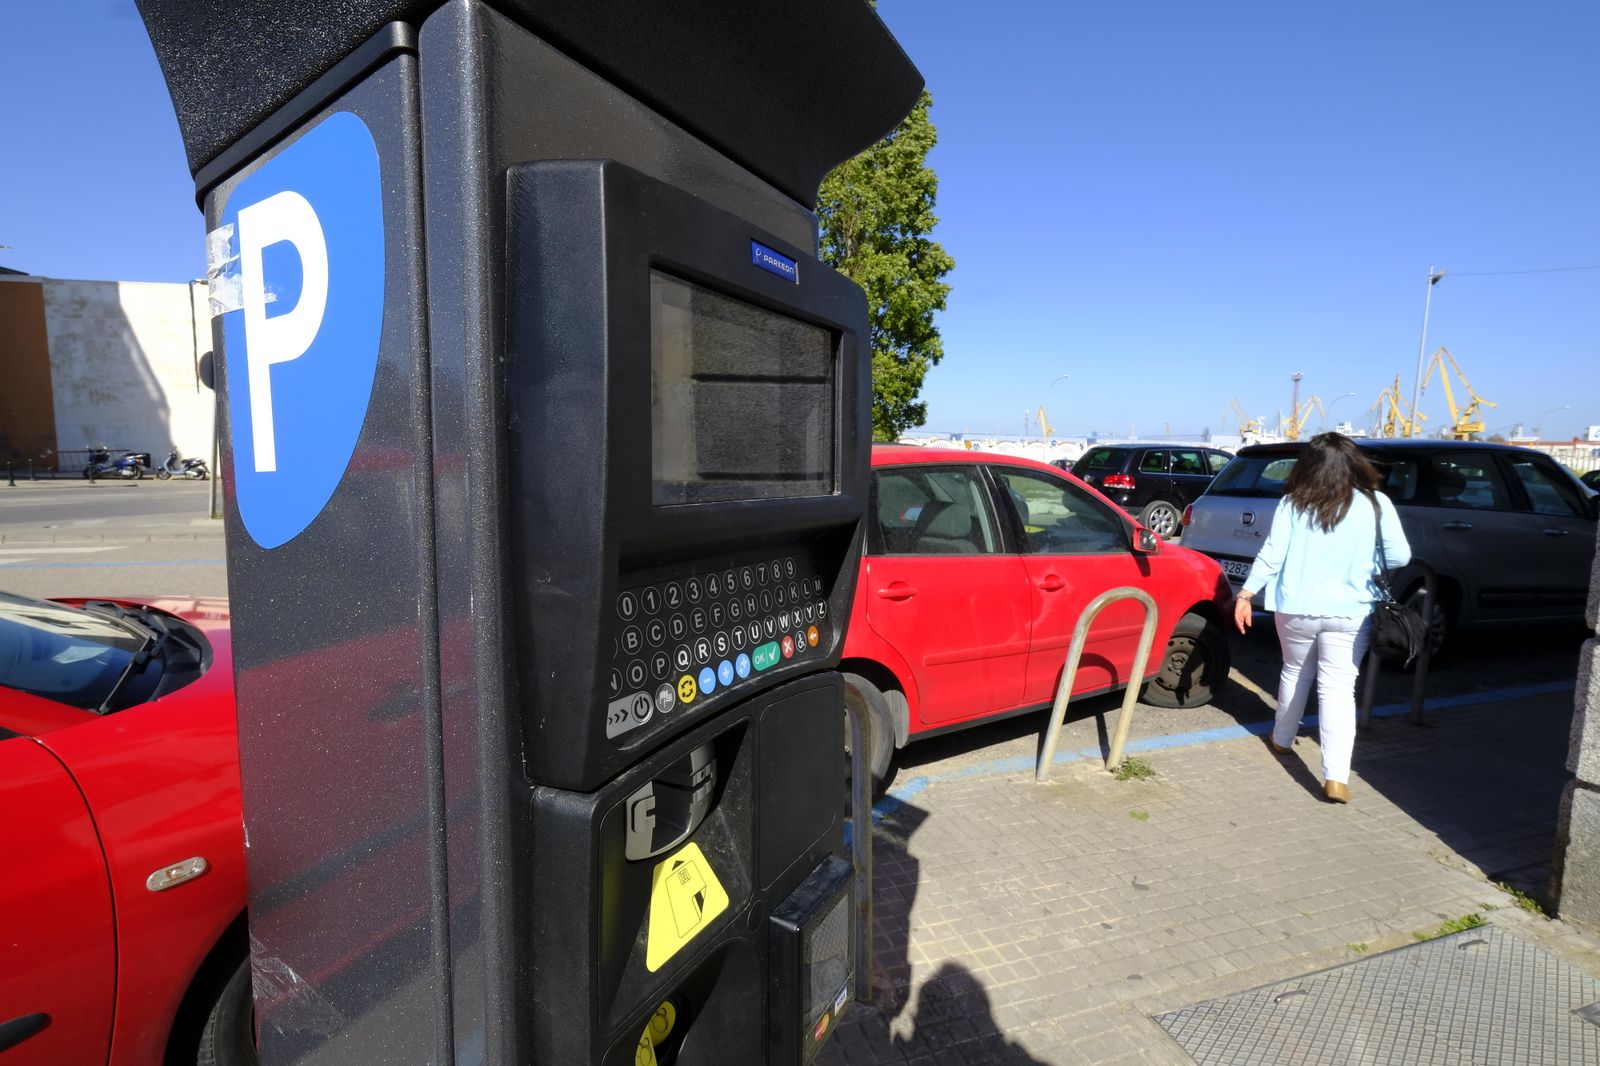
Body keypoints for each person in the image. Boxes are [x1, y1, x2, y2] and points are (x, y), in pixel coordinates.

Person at [1232, 433, 1411, 803]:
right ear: (1353, 463)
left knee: (1295, 671)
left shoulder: (1292, 504)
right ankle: (1336, 777)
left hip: (1295, 605)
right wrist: (1362, 566)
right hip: (1352, 610)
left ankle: (1282, 739)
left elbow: (1272, 555)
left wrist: (1246, 594)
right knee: (1338, 689)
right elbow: (1400, 557)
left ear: (1307, 466)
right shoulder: (1376, 504)